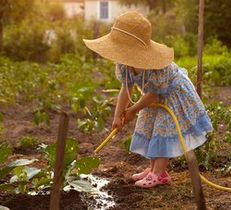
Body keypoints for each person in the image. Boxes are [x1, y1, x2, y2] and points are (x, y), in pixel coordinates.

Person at [83, 11, 213, 188]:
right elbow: (125, 89)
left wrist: (133, 110)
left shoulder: (157, 66)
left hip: (172, 96)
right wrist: (118, 115)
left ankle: (159, 173)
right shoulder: (124, 64)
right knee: (149, 126)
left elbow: (155, 94)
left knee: (162, 129)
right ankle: (153, 169)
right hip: (151, 97)